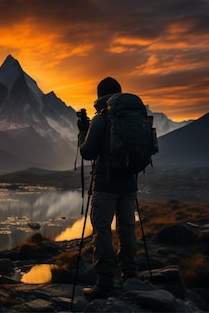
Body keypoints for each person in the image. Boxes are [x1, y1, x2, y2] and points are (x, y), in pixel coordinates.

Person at [78, 76, 138, 299]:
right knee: (127, 228)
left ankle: (104, 284)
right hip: (129, 183)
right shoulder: (131, 116)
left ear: (99, 95)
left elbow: (87, 152)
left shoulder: (101, 118)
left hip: (106, 184)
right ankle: (130, 275)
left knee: (102, 232)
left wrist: (83, 132)